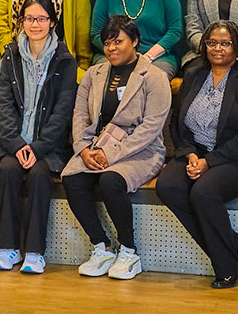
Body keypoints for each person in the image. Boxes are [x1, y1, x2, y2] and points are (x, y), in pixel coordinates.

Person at [157, 21, 238, 289]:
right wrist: (191, 155)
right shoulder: (194, 75)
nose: (217, 48)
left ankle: (229, 268)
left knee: (203, 192)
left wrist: (210, 162)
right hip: (197, 152)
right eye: (211, 43)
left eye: (225, 43)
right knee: (168, 186)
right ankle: (233, 243)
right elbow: (178, 125)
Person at [61, 15, 171, 280]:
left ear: (134, 41)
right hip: (96, 145)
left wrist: (109, 154)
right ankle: (102, 246)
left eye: (118, 42)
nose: (111, 48)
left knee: (111, 182)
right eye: (107, 43)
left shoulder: (154, 77)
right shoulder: (94, 73)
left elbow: (151, 127)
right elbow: (79, 116)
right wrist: (83, 149)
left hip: (141, 150)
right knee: (72, 178)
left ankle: (129, 251)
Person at [0, 0, 78, 274]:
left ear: (51, 22)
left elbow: (63, 113)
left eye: (41, 18)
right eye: (29, 18)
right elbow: (4, 103)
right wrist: (15, 144)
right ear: (21, 22)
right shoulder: (10, 55)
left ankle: (36, 251)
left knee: (40, 174)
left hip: (48, 146)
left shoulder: (65, 60)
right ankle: (8, 247)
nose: (35, 24)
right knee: (9, 170)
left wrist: (37, 148)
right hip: (12, 143)